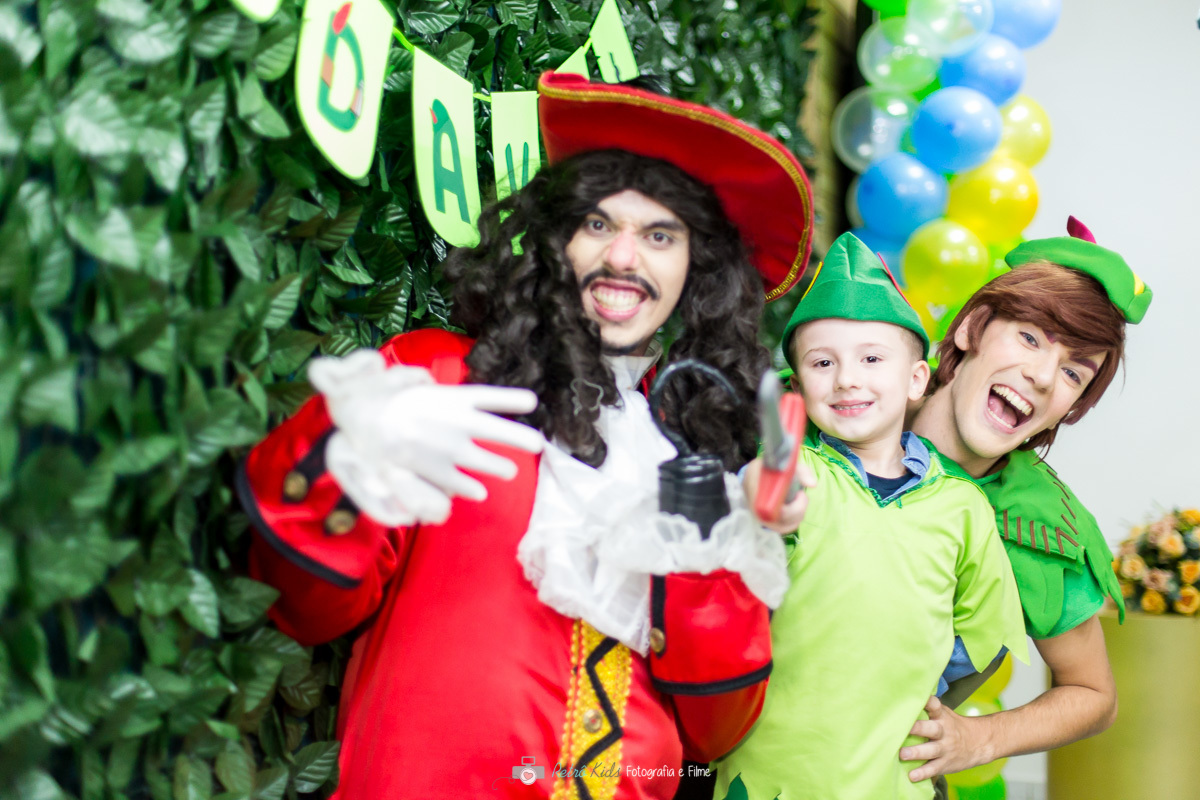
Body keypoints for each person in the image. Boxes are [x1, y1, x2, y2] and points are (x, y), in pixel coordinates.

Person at [236, 71, 816, 800]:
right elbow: (303, 610)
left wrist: (711, 556)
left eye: (660, 235)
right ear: (555, 240)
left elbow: (716, 730)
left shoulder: (694, 460)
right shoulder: (441, 381)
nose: (624, 259)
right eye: (598, 224)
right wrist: (345, 460)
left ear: (697, 271)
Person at [713, 232, 1028, 800]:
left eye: (872, 359)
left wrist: (911, 690)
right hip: (770, 774)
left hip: (894, 780)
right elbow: (728, 566)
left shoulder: (962, 507)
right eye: (823, 362)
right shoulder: (787, 469)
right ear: (799, 383)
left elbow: (978, 641)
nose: (847, 379)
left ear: (916, 380)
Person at [900, 216, 1153, 785]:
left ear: (1074, 407)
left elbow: (1093, 694)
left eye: (1073, 372)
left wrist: (978, 737)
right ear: (972, 327)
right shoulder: (838, 407)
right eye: (1030, 336)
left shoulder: (1038, 530)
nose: (1041, 376)